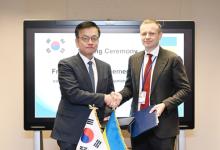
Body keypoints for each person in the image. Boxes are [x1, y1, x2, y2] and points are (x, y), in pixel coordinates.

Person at [112, 19, 191, 150]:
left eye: (151, 33)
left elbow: (185, 89)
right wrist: (120, 96)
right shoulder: (134, 59)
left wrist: (165, 104)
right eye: (144, 34)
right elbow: (130, 88)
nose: (147, 37)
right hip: (139, 126)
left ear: (160, 35)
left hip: (163, 128)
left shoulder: (172, 59)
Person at [51, 21, 117, 150]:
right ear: (77, 41)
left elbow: (110, 93)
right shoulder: (66, 64)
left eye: (94, 38)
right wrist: (104, 98)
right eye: (85, 38)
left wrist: (112, 103)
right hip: (71, 132)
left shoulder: (105, 67)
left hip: (97, 131)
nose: (90, 42)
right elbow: (73, 94)